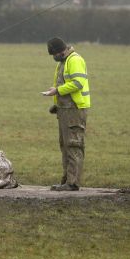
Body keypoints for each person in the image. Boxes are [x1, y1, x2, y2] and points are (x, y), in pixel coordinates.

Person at [41, 37, 90, 191]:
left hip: (74, 109)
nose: (53, 58)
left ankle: (73, 183)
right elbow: (64, 83)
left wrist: (58, 90)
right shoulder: (64, 61)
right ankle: (66, 181)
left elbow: (77, 83)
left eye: (53, 55)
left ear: (59, 52)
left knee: (73, 145)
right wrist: (55, 95)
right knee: (65, 146)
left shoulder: (74, 60)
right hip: (65, 110)